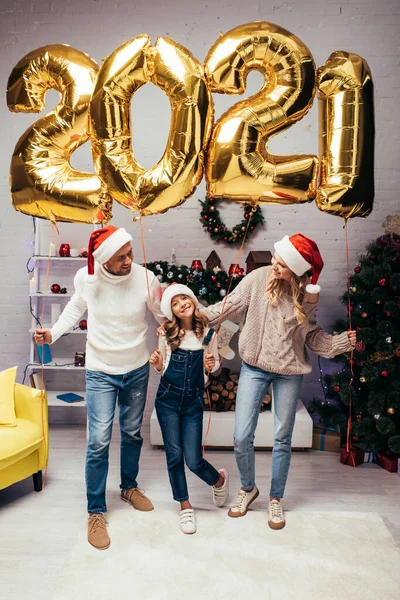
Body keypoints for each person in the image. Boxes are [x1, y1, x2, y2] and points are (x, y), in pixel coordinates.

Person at [201, 233, 356, 530]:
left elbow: (311, 336)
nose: (274, 265)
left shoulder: (306, 296)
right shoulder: (258, 279)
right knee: (241, 435)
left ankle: (276, 498)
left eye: (282, 264)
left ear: (297, 271)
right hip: (254, 367)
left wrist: (340, 344)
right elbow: (226, 307)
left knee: (282, 438)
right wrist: (193, 315)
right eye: (275, 258)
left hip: (289, 371)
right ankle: (248, 488)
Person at [34, 226, 164, 550]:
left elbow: (165, 322)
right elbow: (74, 309)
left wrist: (166, 354)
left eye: (130, 252)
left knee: (133, 432)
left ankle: (129, 487)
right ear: (103, 260)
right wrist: (54, 333)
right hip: (101, 372)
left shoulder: (146, 279)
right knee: (99, 440)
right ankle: (95, 510)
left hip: (136, 370)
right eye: (121, 257)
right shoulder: (87, 280)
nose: (128, 260)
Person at [149, 284, 229, 534]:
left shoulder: (209, 334)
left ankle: (219, 480)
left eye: (184, 298)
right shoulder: (166, 334)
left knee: (193, 460)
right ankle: (185, 506)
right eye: (175, 302)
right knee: (174, 455)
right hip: (167, 401)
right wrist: (159, 364)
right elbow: (163, 369)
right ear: (171, 312)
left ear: (193, 300)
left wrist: (211, 364)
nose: (182, 303)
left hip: (193, 402)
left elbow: (213, 369)